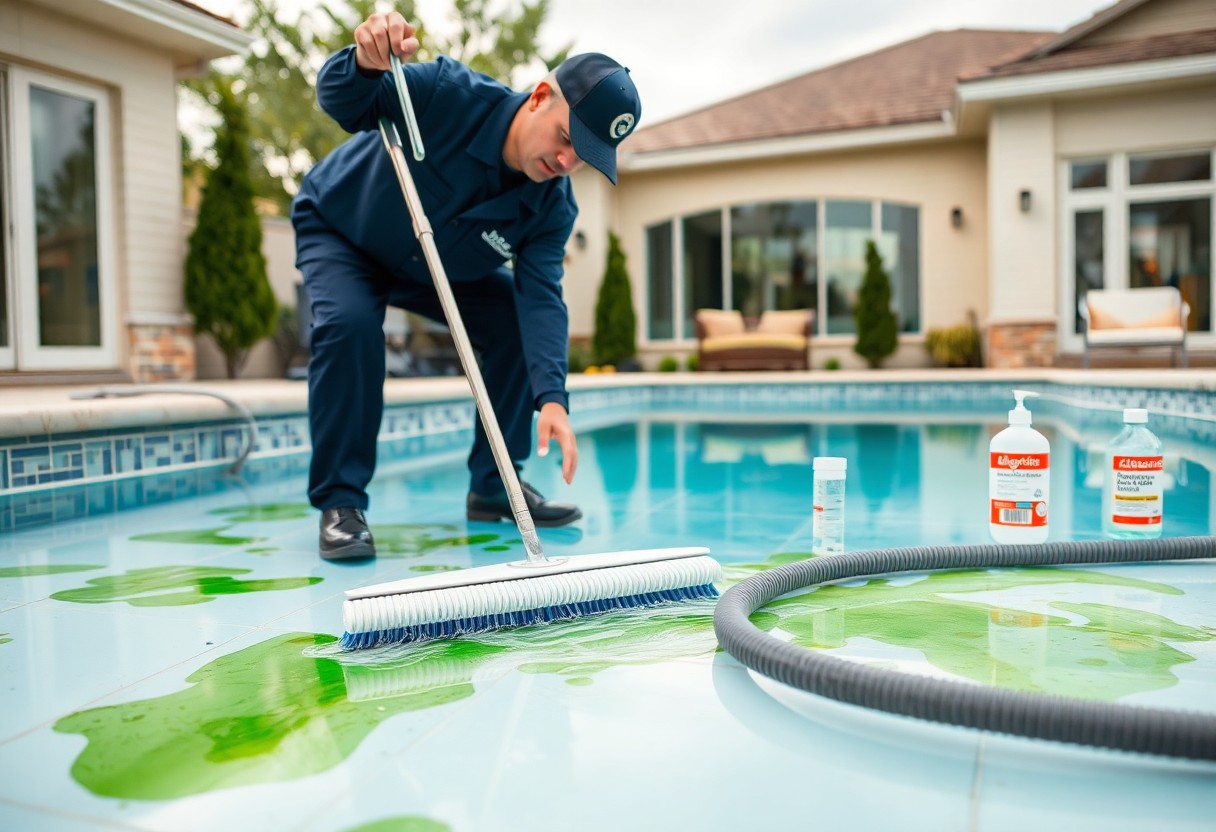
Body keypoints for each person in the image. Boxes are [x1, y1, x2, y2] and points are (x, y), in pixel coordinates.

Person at [291, 10, 642, 560]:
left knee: (511, 323)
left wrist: (552, 398)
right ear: (539, 96)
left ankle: (494, 487)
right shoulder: (443, 93)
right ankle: (341, 503)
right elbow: (344, 101)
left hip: (435, 267)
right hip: (345, 230)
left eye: (586, 157)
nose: (566, 160)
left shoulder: (552, 208)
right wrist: (363, 62)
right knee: (350, 324)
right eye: (567, 138)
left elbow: (541, 299)